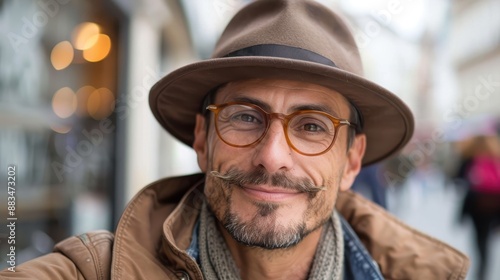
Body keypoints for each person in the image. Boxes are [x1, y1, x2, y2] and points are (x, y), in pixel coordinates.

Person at [1, 0, 470, 279]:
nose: (272, 157)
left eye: (312, 126)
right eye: (245, 117)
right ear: (202, 139)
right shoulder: (97, 270)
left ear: (351, 162)